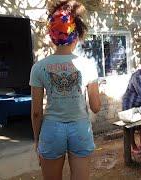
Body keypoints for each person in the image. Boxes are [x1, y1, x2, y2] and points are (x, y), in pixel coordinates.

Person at [29, 1, 101, 180]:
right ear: (75, 36)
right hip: (80, 128)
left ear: (52, 37)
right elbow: (96, 107)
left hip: (51, 129)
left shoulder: (39, 68)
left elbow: (36, 113)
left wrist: (38, 141)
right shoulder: (88, 65)